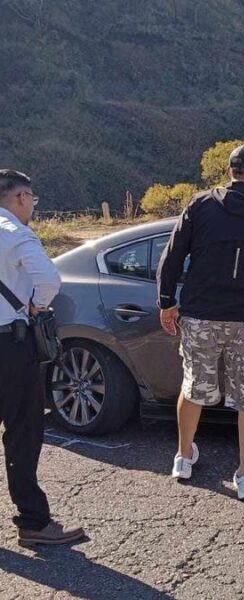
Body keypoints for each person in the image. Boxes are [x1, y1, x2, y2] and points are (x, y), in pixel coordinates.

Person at [157, 143, 244, 501]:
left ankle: (184, 457)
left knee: (194, 385)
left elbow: (172, 257)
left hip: (200, 316)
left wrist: (167, 303)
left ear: (230, 171)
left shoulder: (200, 206)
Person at [0, 170, 85, 545]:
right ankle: (33, 522)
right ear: (20, 196)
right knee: (22, 431)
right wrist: (35, 307)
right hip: (10, 346)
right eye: (31, 198)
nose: (32, 205)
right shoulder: (16, 234)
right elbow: (50, 280)